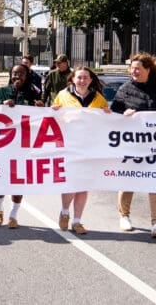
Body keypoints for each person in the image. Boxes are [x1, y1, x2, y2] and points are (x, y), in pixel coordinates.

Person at [109, 52, 156, 238]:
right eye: (132, 68)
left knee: (155, 180)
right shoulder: (125, 88)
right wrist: (124, 114)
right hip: (132, 144)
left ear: (148, 69)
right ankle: (124, 216)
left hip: (155, 144)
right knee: (128, 178)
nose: (134, 71)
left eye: (138, 68)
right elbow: (114, 112)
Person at [51, 66, 109, 235]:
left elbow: (105, 122)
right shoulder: (63, 95)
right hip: (69, 146)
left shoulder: (98, 98)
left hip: (89, 147)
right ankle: (64, 211)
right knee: (71, 182)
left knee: (83, 184)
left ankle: (77, 221)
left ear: (90, 80)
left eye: (85, 78)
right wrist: (54, 112)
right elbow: (54, 119)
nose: (82, 80)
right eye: (79, 77)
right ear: (73, 79)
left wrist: (108, 114)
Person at [0, 63, 43, 228]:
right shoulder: (2, 92)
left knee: (19, 180)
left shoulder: (33, 93)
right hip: (3, 143)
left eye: (21, 74)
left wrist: (41, 108)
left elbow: (41, 119)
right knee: (1, 178)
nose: (17, 77)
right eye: (14, 74)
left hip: (23, 145)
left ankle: (13, 215)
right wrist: (2, 105)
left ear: (27, 76)